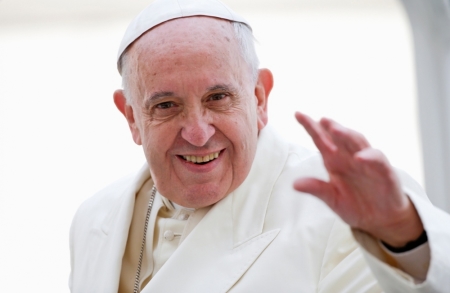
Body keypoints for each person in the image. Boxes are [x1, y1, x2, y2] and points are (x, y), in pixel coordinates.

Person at [69, 0, 450, 292]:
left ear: (259, 98)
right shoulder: (94, 219)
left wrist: (403, 236)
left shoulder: (345, 212)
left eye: (218, 97)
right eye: (166, 106)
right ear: (132, 117)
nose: (198, 133)